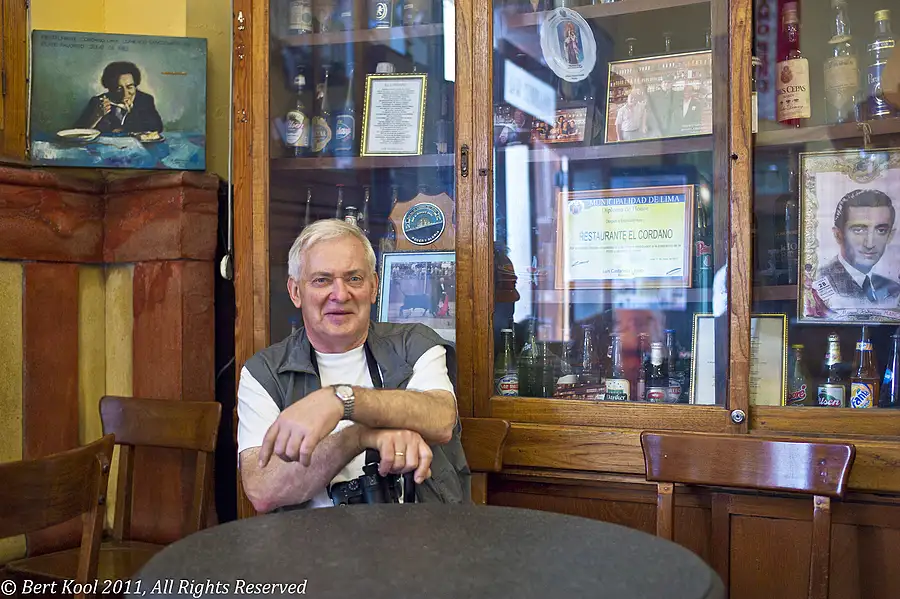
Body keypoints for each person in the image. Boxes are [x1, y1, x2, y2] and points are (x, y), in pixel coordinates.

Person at [237, 219, 469, 512]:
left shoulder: (414, 343)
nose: (340, 294)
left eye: (354, 279)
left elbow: (441, 418)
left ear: (374, 287)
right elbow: (262, 489)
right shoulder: (264, 373)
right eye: (322, 280)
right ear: (295, 292)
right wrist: (359, 437)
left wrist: (340, 401)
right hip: (310, 539)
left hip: (419, 531)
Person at [816, 188, 900, 307]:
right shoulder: (819, 282)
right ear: (838, 235)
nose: (869, 244)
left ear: (890, 235)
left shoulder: (893, 289)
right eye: (859, 230)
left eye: (881, 230)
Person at [75, 61, 164, 134]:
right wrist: (96, 116)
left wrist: (133, 113)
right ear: (110, 87)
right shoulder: (98, 102)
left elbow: (157, 128)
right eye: (119, 88)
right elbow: (77, 131)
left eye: (130, 87)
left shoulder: (145, 100)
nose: (125, 94)